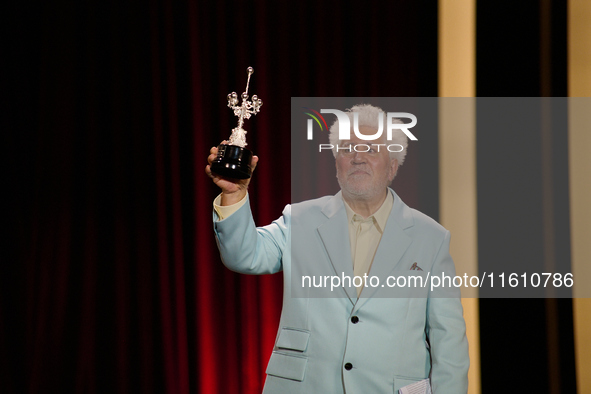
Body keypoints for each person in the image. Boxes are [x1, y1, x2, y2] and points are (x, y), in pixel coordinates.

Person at [206, 104, 469, 393]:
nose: (357, 158)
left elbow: (449, 342)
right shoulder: (299, 220)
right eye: (347, 149)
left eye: (370, 150)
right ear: (336, 163)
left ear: (393, 165)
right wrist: (234, 194)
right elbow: (243, 256)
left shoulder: (431, 237)